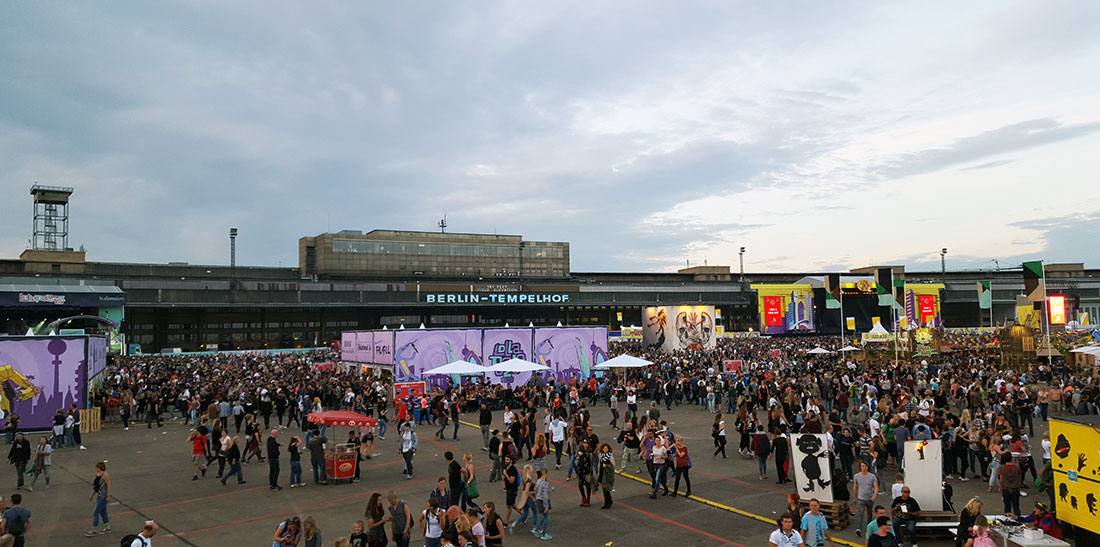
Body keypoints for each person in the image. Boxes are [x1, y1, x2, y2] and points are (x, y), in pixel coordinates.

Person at [852, 461, 878, 538]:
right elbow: (855, 487)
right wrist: (854, 497)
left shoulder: (872, 476)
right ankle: (859, 529)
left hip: (870, 498)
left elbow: (876, 487)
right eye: (862, 466)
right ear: (860, 467)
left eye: (865, 466)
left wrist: (874, 495)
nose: (864, 468)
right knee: (861, 514)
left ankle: (869, 528)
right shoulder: (857, 476)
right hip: (861, 498)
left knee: (869, 514)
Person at [84, 461, 111, 537]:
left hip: (103, 497)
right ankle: (107, 527)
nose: (96, 469)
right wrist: (92, 494)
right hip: (99, 496)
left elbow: (108, 485)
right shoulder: (98, 475)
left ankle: (94, 529)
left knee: (95, 512)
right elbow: (96, 486)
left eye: (97, 468)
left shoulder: (105, 475)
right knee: (103, 511)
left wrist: (108, 495)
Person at [533, 468, 551, 540]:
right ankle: (543, 534)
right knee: (546, 518)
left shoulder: (538, 481)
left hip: (538, 500)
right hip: (543, 502)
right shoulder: (545, 483)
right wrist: (546, 506)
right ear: (546, 474)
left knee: (544, 517)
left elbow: (536, 489)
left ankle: (536, 529)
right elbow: (545, 496)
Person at [597, 443, 617, 508]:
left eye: (606, 448)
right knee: (604, 488)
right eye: (604, 448)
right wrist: (598, 472)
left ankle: (608, 502)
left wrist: (607, 466)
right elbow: (599, 464)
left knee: (606, 488)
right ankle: (608, 501)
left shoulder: (610, 456)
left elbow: (613, 464)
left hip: (608, 473)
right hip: (602, 472)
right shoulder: (600, 455)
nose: (605, 449)